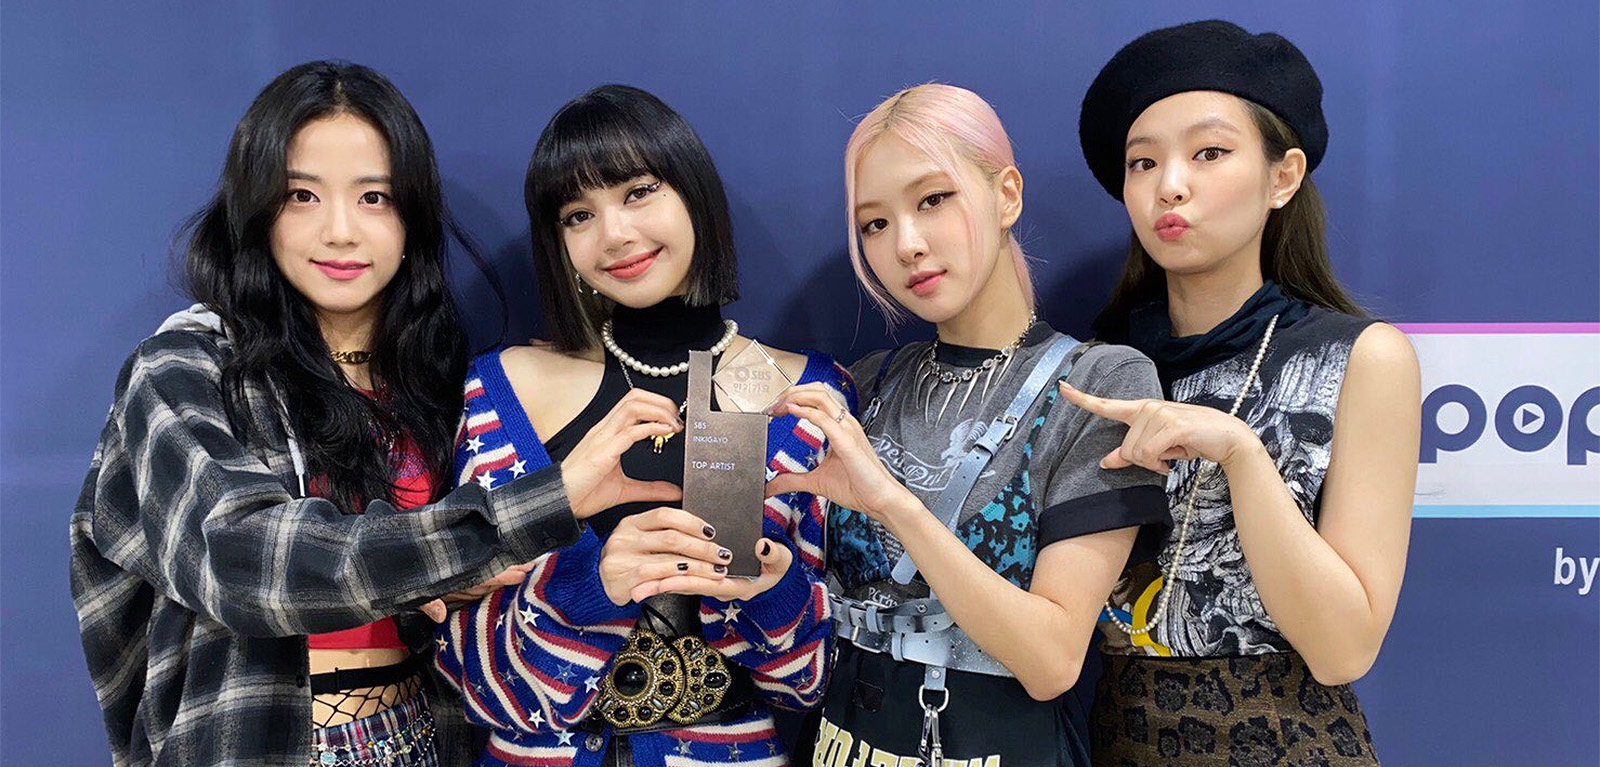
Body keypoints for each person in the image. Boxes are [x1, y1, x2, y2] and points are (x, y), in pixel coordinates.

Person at [69, 61, 641, 767]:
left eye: (373, 197)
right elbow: (244, 561)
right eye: (301, 196)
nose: (340, 231)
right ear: (255, 210)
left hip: (427, 738)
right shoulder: (184, 369)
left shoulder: (434, 382)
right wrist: (535, 507)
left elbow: (448, 603)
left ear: (411, 217)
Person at [432, 85, 849, 767]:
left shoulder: (807, 395)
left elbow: (809, 681)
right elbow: (471, 676)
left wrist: (773, 592)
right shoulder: (501, 386)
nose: (615, 234)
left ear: (694, 193)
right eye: (578, 215)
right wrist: (589, 584)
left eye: (638, 192)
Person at [768, 83, 1170, 767]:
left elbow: (1051, 660)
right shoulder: (867, 382)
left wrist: (892, 504)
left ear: (1006, 195)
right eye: (875, 223)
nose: (907, 244)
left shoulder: (1098, 383)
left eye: (933, 199)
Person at [1073, 20, 1421, 765]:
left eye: (1209, 153)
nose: (1170, 184)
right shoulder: (1099, 368)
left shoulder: (1359, 358)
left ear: (1283, 176)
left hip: (1286, 737)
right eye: (1143, 162)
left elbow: (1345, 648)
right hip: (1116, 737)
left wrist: (1240, 451)